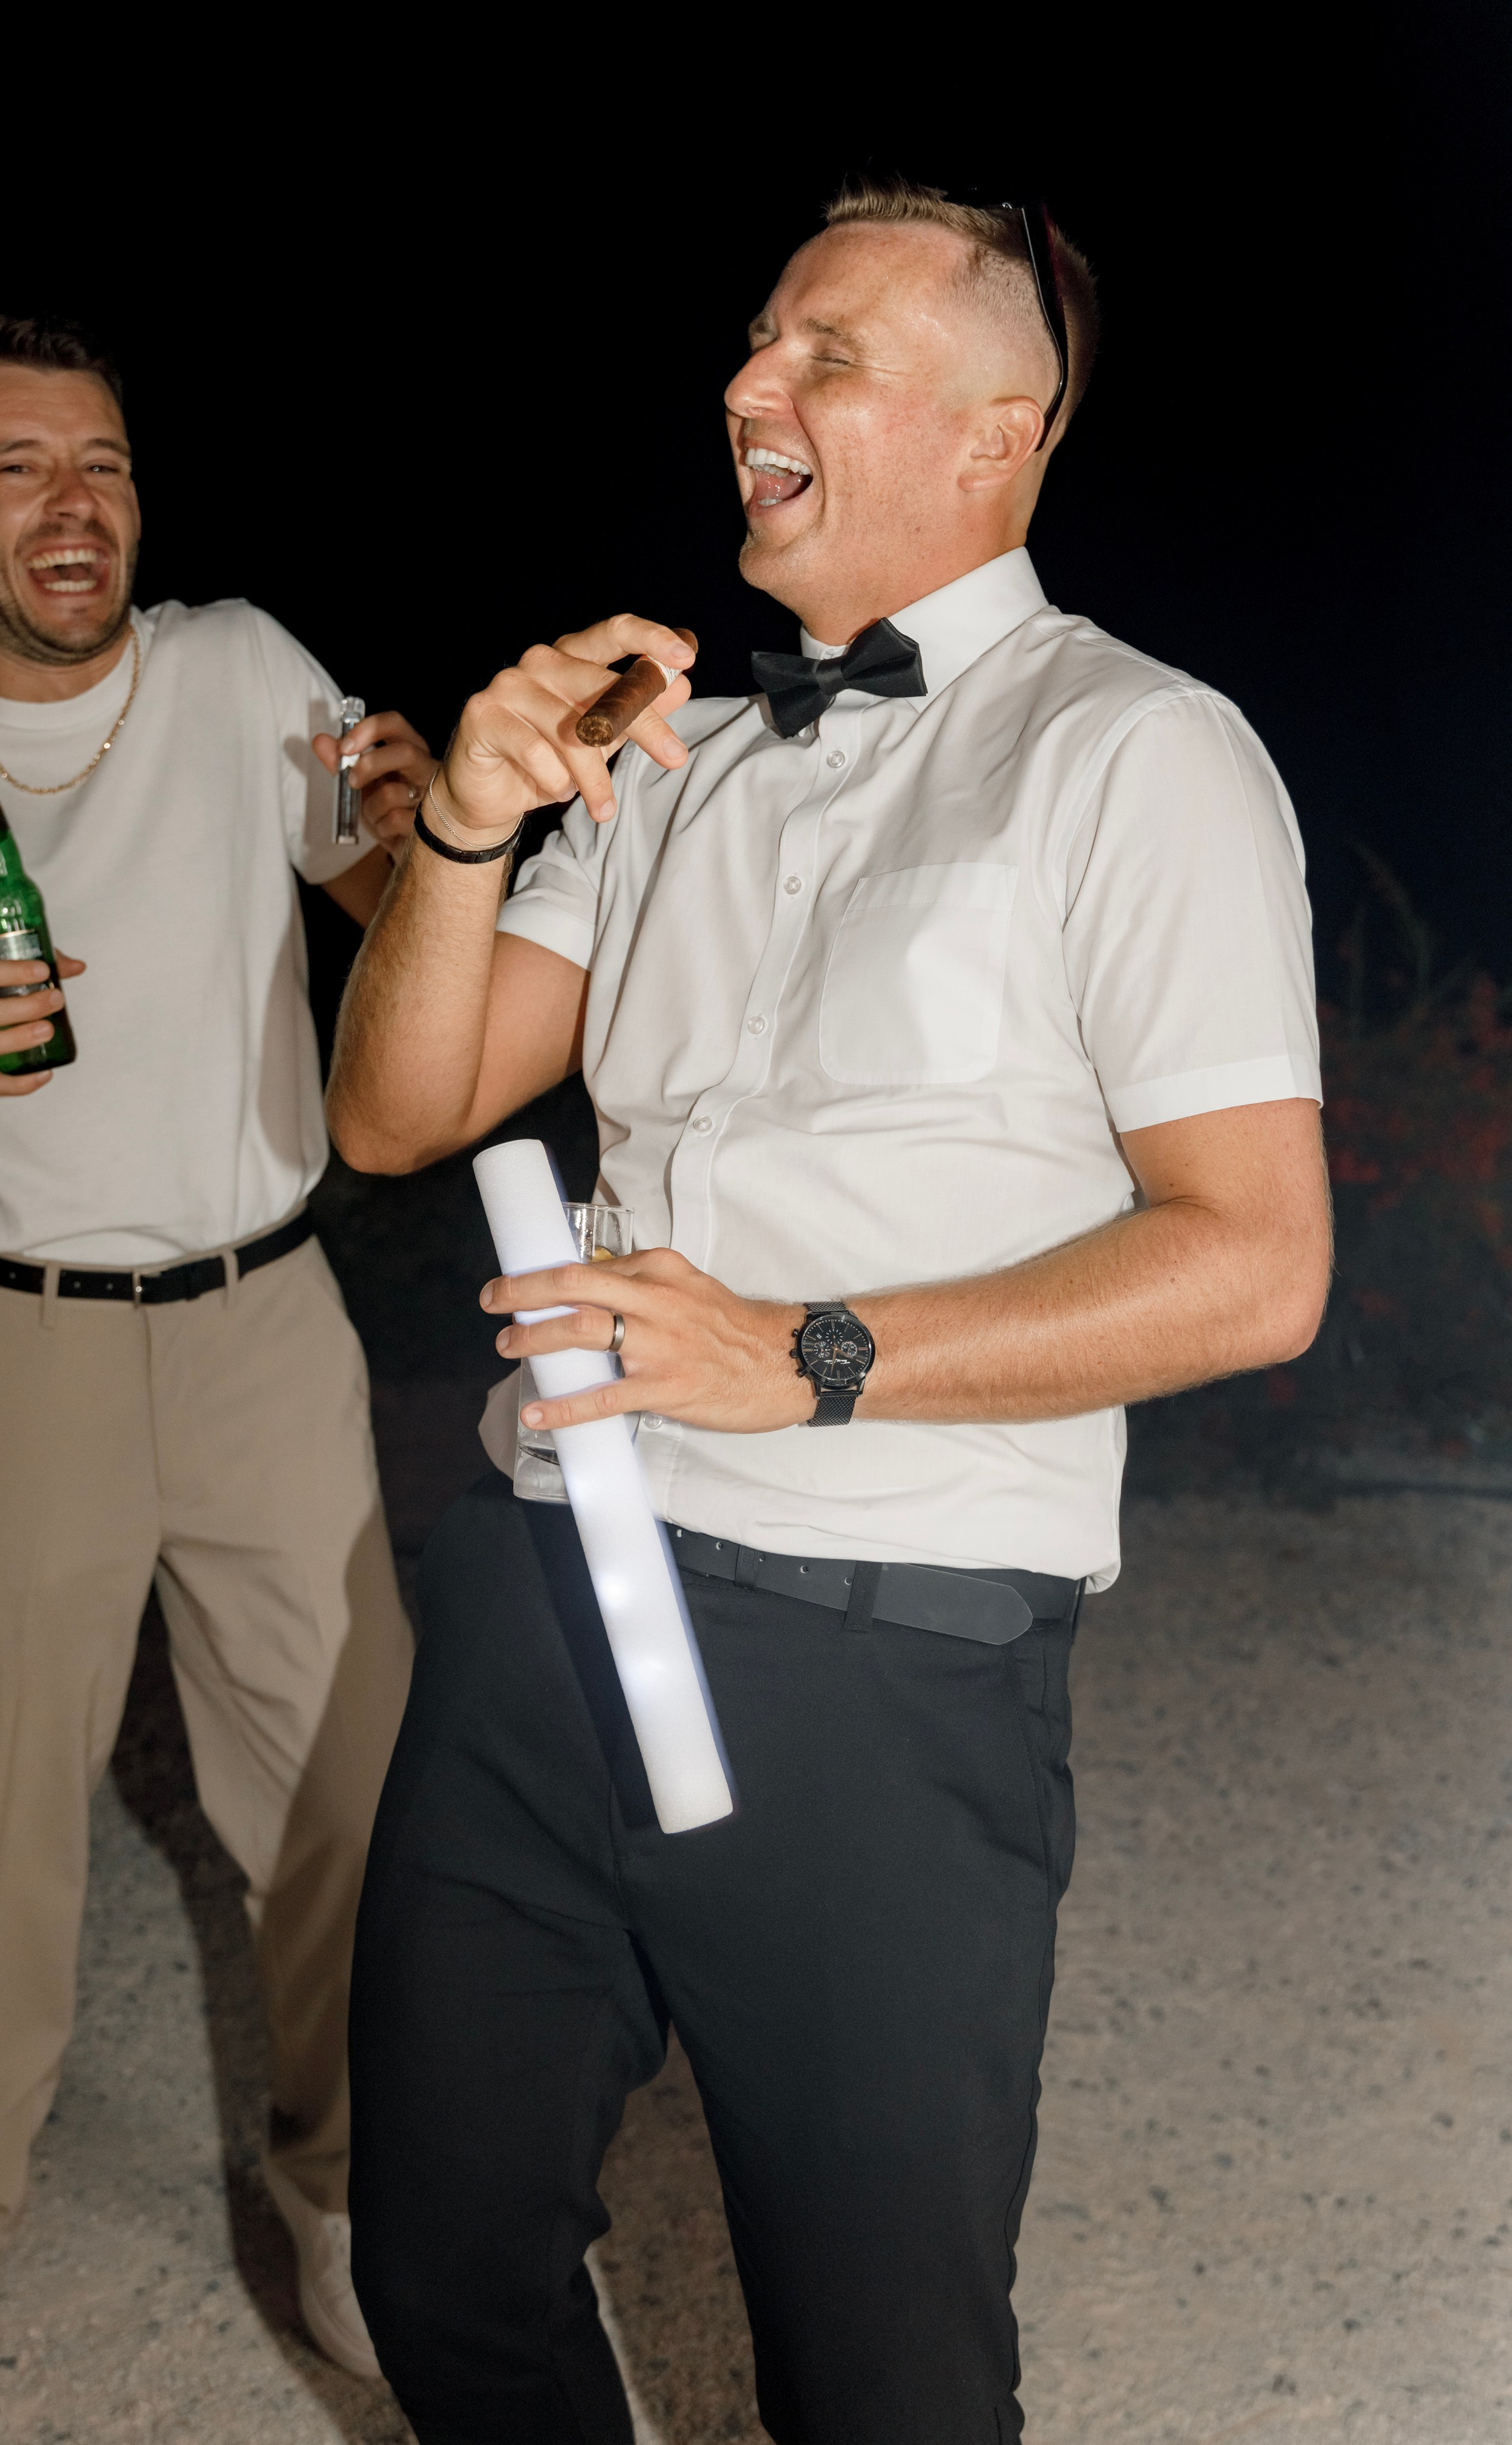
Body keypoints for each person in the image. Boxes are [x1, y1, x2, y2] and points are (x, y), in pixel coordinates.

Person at [325, 177, 1333, 2442]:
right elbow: (400, 1116)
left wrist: (811, 1355)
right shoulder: (667, 743)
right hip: (545, 1591)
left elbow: (1258, 1262)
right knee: (444, 2262)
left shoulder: (1136, 751)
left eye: (821, 355)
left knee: (880, 2374)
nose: (747, 387)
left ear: (996, 433)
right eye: (755, 345)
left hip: (884, 1655)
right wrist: (472, 826)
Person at [0, 316, 430, 2445]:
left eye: (105, 465)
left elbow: (375, 879)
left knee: (356, 1802)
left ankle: (349, 2205)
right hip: (27, 1337)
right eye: (15, 470)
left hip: (271, 1319)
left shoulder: (244, 665)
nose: (72, 506)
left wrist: (421, 827)